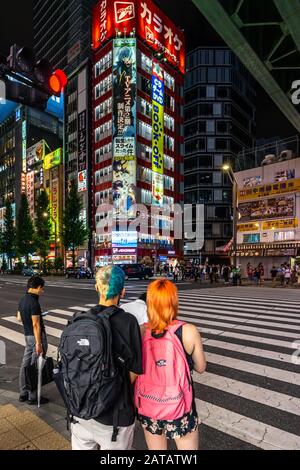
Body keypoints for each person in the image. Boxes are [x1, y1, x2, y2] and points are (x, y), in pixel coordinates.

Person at [71, 265, 142, 451]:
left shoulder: (79, 319)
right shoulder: (128, 322)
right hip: (115, 418)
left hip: (80, 411)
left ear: (96, 288)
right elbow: (134, 372)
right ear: (123, 291)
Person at [135, 279, 206, 450]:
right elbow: (201, 367)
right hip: (179, 406)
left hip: (149, 404)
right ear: (174, 302)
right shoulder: (188, 330)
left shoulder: (140, 331)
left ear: (149, 303)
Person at [18, 276, 49, 405]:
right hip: (36, 337)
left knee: (25, 365)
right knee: (35, 366)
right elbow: (36, 325)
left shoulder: (23, 299)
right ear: (37, 288)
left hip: (27, 335)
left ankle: (23, 393)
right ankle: (33, 397)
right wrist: (39, 343)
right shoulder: (33, 302)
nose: (43, 291)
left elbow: (19, 318)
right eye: (42, 289)